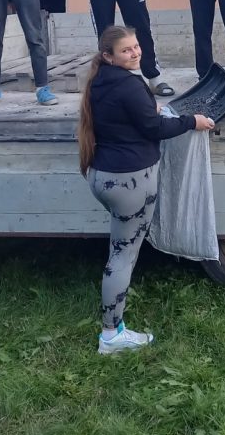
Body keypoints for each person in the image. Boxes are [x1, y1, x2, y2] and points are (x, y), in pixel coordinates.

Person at [78, 24, 214, 355]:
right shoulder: (129, 84)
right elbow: (153, 127)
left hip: (103, 176)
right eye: (127, 50)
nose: (135, 52)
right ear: (108, 55)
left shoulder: (100, 81)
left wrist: (149, 108)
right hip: (130, 181)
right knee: (122, 256)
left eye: (137, 46)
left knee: (118, 250)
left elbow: (132, 116)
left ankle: (114, 328)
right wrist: (192, 121)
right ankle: (111, 336)